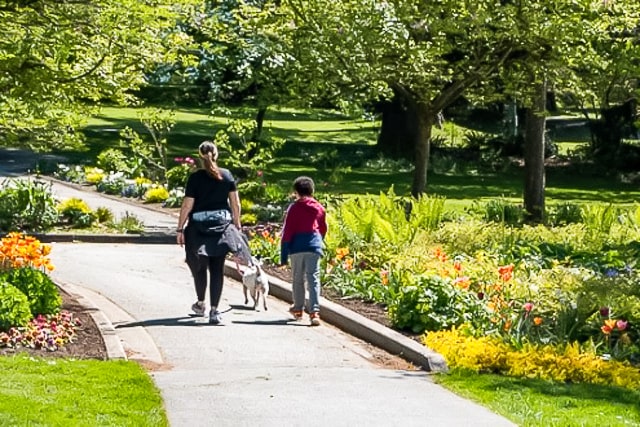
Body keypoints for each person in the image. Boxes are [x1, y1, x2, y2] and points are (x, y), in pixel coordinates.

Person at [176, 140, 248, 325]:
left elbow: (187, 204)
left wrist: (180, 228)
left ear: (199, 157)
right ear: (217, 154)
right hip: (221, 226)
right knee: (217, 268)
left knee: (200, 267)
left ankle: (201, 303)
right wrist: (237, 224)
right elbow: (235, 203)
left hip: (198, 228)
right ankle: (215, 311)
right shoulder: (226, 175)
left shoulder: (195, 178)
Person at [280, 176, 327, 326]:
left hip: (297, 247)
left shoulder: (294, 208)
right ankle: (314, 312)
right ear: (312, 190)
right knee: (313, 278)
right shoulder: (319, 207)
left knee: (298, 279)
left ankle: (298, 309)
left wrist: (283, 255)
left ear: (296, 192)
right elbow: (323, 228)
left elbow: (287, 231)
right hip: (313, 246)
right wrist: (319, 241)